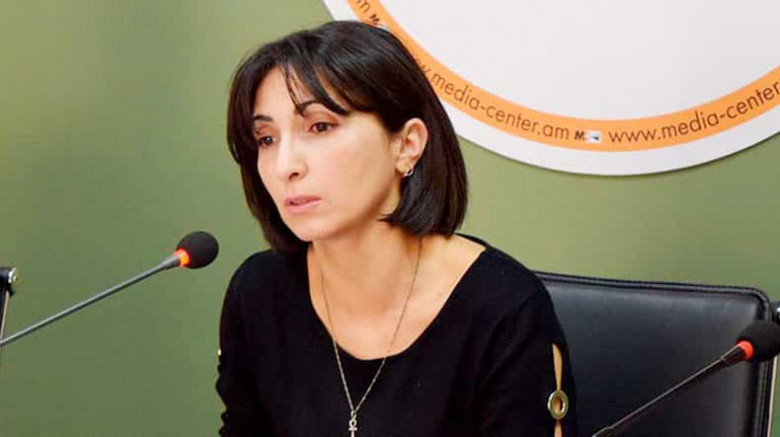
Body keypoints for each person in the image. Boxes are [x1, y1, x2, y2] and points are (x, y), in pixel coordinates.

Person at [218, 20, 576, 437]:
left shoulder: (504, 308)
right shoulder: (259, 292)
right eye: (266, 139)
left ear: (407, 145)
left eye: (319, 127)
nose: (285, 166)